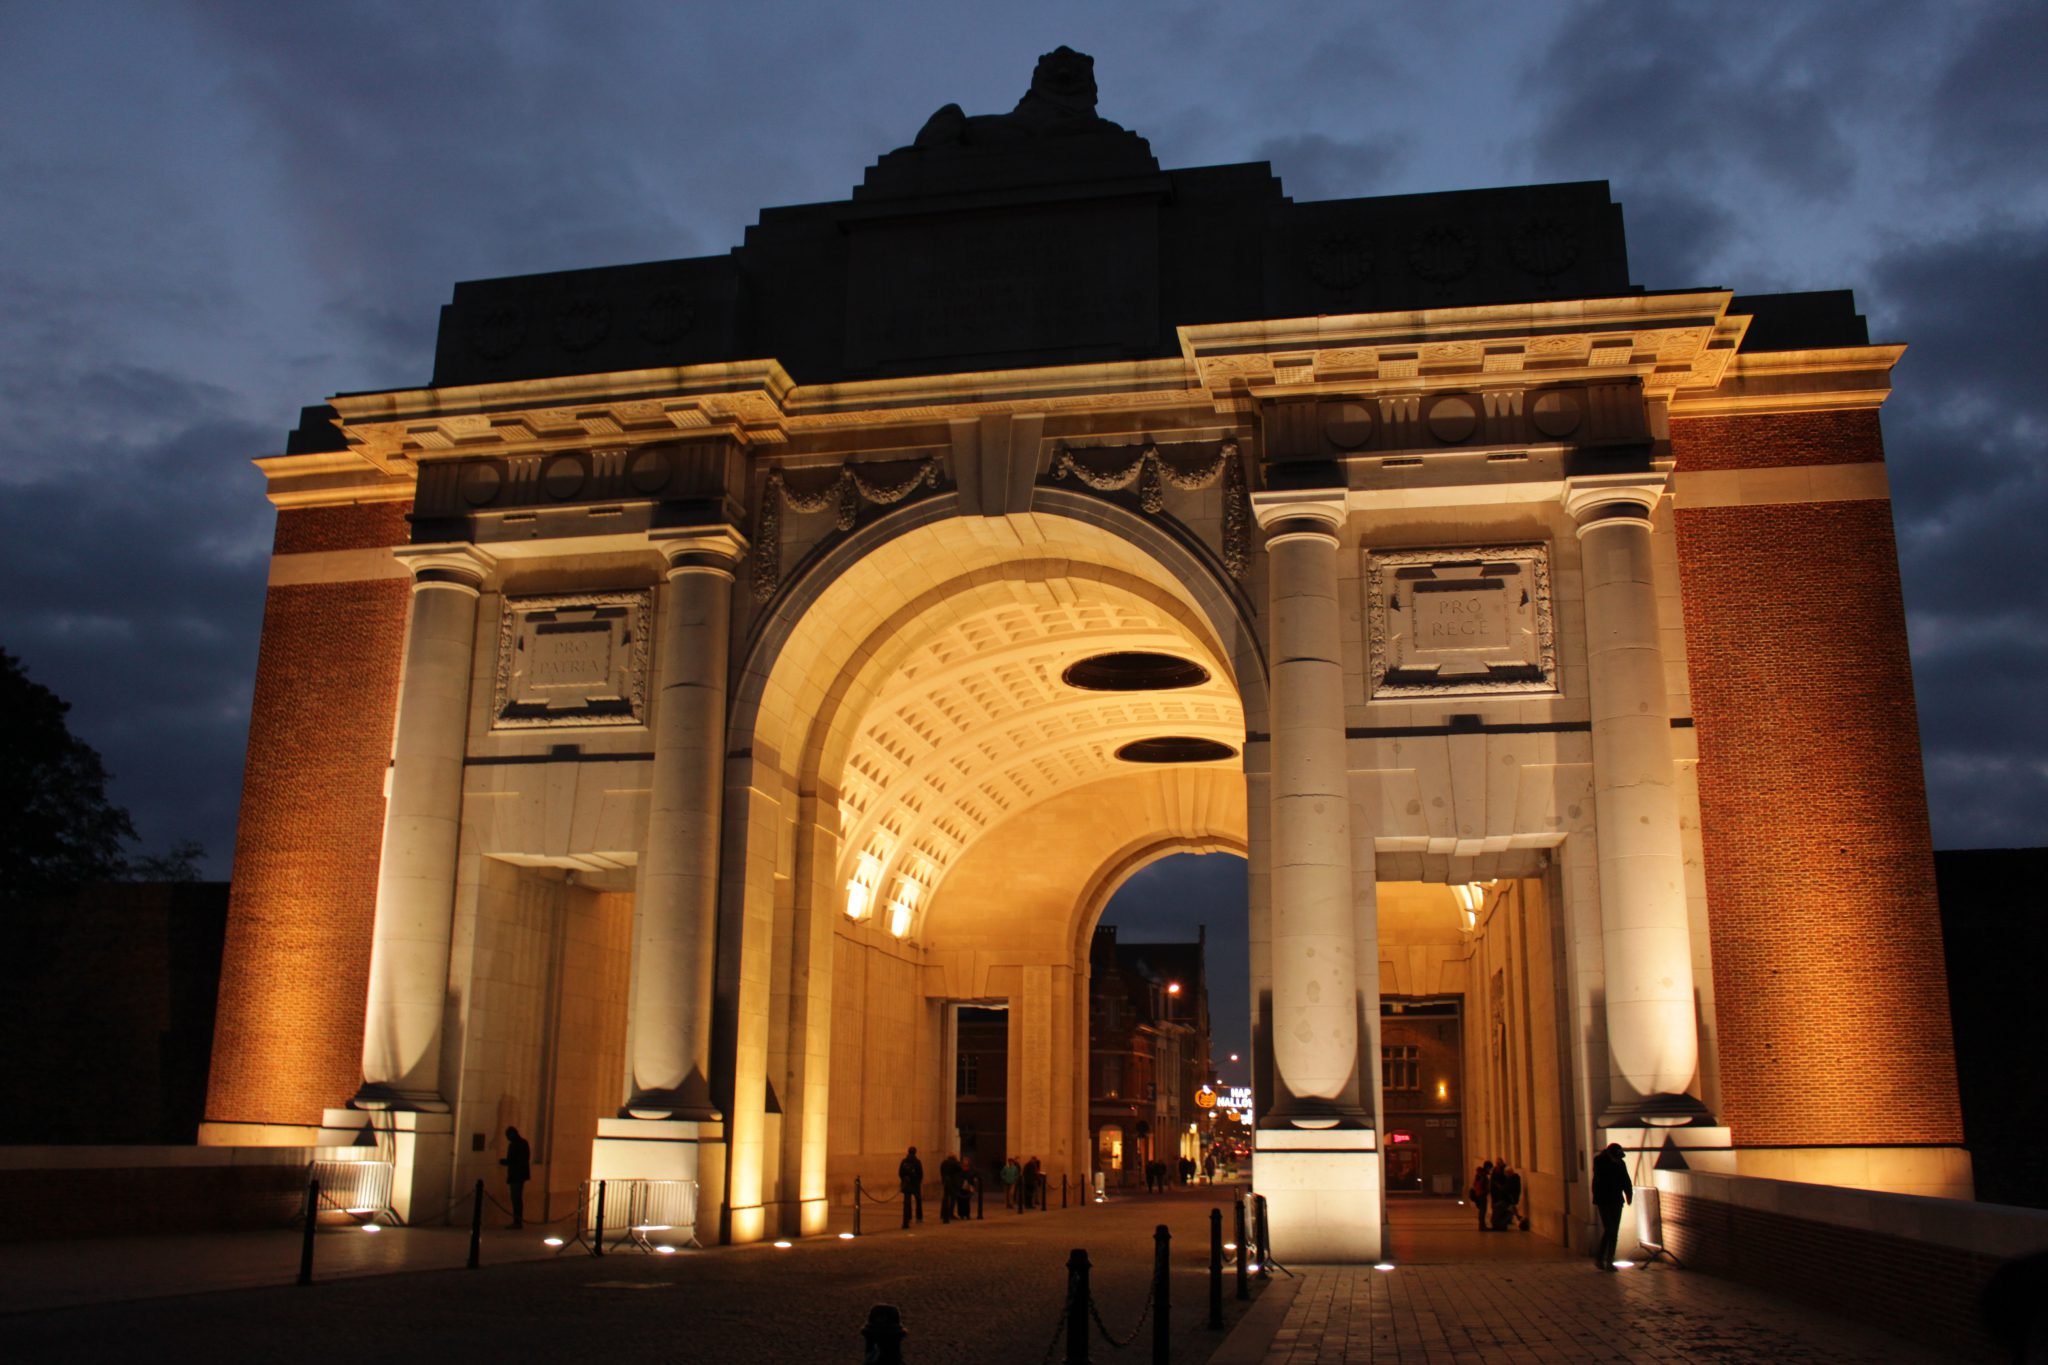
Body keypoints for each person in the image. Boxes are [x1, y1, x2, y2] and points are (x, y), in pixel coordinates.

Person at [1591, 1142, 1633, 1270]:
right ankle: (1604, 1259)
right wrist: (1613, 1164)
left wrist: (1628, 1194)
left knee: (1613, 1231)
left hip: (1616, 1200)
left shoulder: (1620, 1163)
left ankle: (1607, 1259)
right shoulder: (1600, 1161)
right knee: (1610, 1229)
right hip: (1604, 1201)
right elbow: (1600, 1178)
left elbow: (1626, 1180)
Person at [499, 1126, 531, 1229]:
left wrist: (505, 1162)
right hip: (520, 1175)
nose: (507, 1138)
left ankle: (517, 1221)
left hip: (516, 1175)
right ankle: (517, 1220)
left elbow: (515, 1160)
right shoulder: (523, 1143)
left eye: (508, 1136)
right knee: (517, 1199)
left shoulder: (516, 1144)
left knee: (516, 1198)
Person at [898, 1145, 924, 1227]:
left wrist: (904, 1179)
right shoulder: (917, 1162)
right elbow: (920, 1173)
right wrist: (918, 1181)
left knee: (907, 1202)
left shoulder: (904, 1161)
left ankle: (908, 1217)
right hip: (915, 1184)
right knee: (918, 1201)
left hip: (906, 1184)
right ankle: (919, 1217)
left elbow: (900, 1172)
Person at [1490, 1158, 1516, 1231]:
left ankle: (1502, 1224)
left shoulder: (1503, 1170)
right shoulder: (1496, 1170)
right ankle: (1499, 1224)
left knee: (1502, 1210)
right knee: (1498, 1210)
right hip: (1497, 1194)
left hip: (1502, 1195)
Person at [938, 1152, 962, 1223]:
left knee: (945, 1198)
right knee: (953, 1199)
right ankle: (950, 1213)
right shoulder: (955, 1163)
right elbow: (960, 1170)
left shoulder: (944, 1163)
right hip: (953, 1182)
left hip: (946, 1182)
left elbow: (941, 1172)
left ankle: (943, 1214)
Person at [1469, 1160, 1492, 1231]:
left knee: (1482, 1211)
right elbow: (1482, 1185)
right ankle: (1482, 1226)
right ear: (1487, 1167)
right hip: (1481, 1194)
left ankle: (1482, 1225)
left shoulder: (1479, 1174)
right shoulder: (1483, 1175)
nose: (1490, 1170)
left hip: (1479, 1194)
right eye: (1490, 1168)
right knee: (1482, 1211)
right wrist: (1486, 1190)